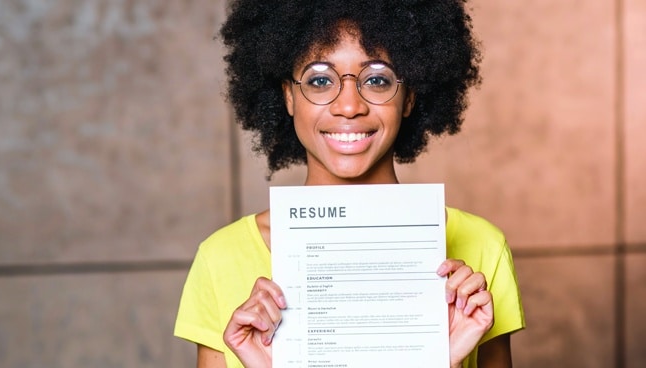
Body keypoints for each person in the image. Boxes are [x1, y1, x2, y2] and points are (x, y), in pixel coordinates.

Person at [175, 0, 525, 367]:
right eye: (320, 80)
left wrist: (442, 361)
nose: (348, 106)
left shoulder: (483, 249)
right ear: (289, 96)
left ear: (410, 97)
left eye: (376, 79)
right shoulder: (222, 258)